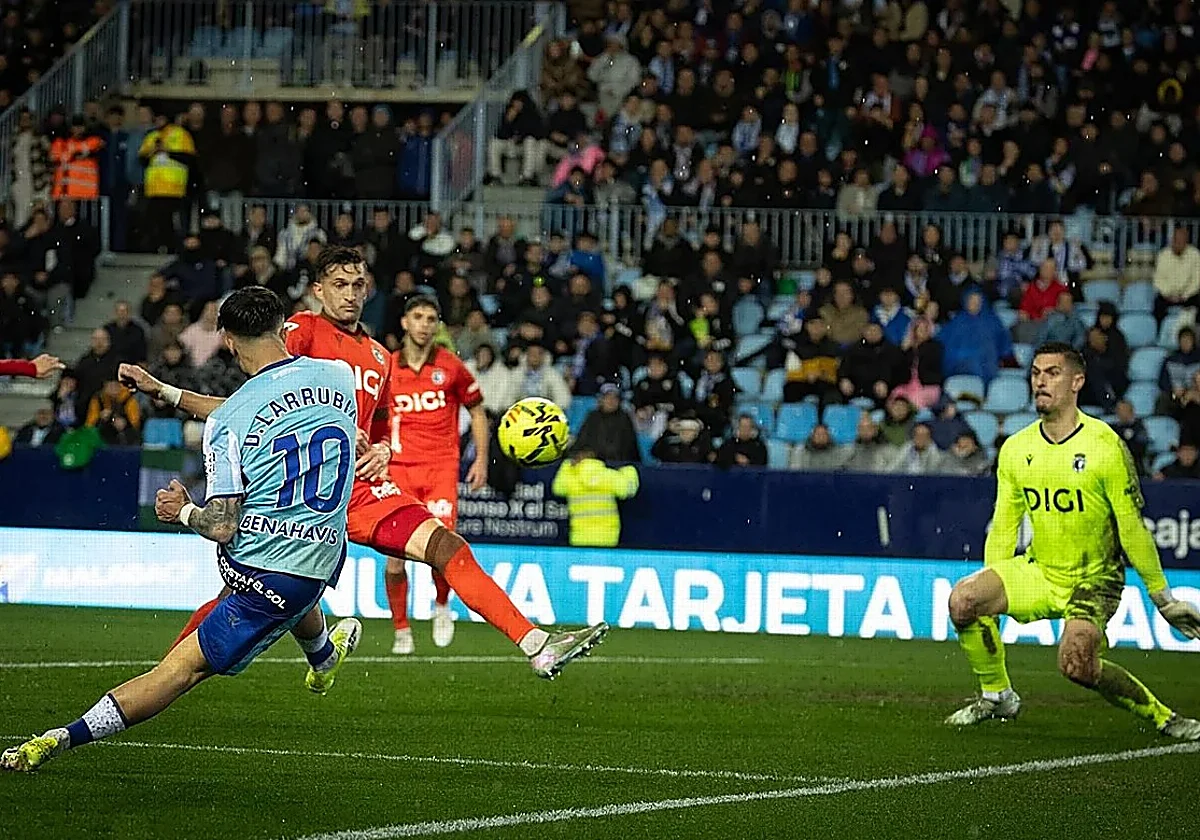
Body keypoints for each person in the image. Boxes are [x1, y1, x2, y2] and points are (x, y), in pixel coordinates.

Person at [133, 247, 605, 680]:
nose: (351, 293)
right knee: (240, 605)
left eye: (359, 284)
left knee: (448, 546)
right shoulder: (300, 331)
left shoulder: (380, 356)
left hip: (356, 491)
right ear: (318, 290)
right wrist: (169, 393)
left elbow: (378, 429)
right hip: (292, 496)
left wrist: (382, 450)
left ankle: (536, 644)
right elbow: (245, 404)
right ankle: (164, 681)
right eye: (339, 284)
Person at [1, 288, 363, 773]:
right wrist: (164, 391)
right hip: (324, 552)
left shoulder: (229, 423)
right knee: (297, 589)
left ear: (229, 343)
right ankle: (321, 658)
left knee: (177, 671)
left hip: (264, 578)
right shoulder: (339, 378)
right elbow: (267, 402)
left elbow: (222, 524)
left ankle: (59, 738)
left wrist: (183, 511)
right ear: (281, 328)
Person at [944, 341, 1200, 741]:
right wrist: (992, 577)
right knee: (963, 601)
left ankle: (1164, 717)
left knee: (1076, 664)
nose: (1040, 382)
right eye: (1035, 373)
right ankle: (997, 695)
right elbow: (1005, 524)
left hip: (1095, 578)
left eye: (1052, 373)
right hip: (1041, 569)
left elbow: (1132, 527)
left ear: (1077, 381)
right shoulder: (1016, 448)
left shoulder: (1105, 446)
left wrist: (1162, 597)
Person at [381, 295, 490, 656]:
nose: (425, 324)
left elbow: (477, 411)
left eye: (431, 318)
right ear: (404, 322)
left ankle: (441, 606)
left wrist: (481, 460)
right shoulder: (386, 368)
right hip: (397, 471)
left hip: (441, 468)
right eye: (418, 316)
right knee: (395, 558)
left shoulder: (451, 367)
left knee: (440, 547)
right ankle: (401, 630)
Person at [551, 445, 639, 547]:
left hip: (579, 536)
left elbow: (557, 488)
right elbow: (627, 489)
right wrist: (629, 470)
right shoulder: (607, 475)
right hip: (608, 536)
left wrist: (566, 465)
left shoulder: (572, 478)